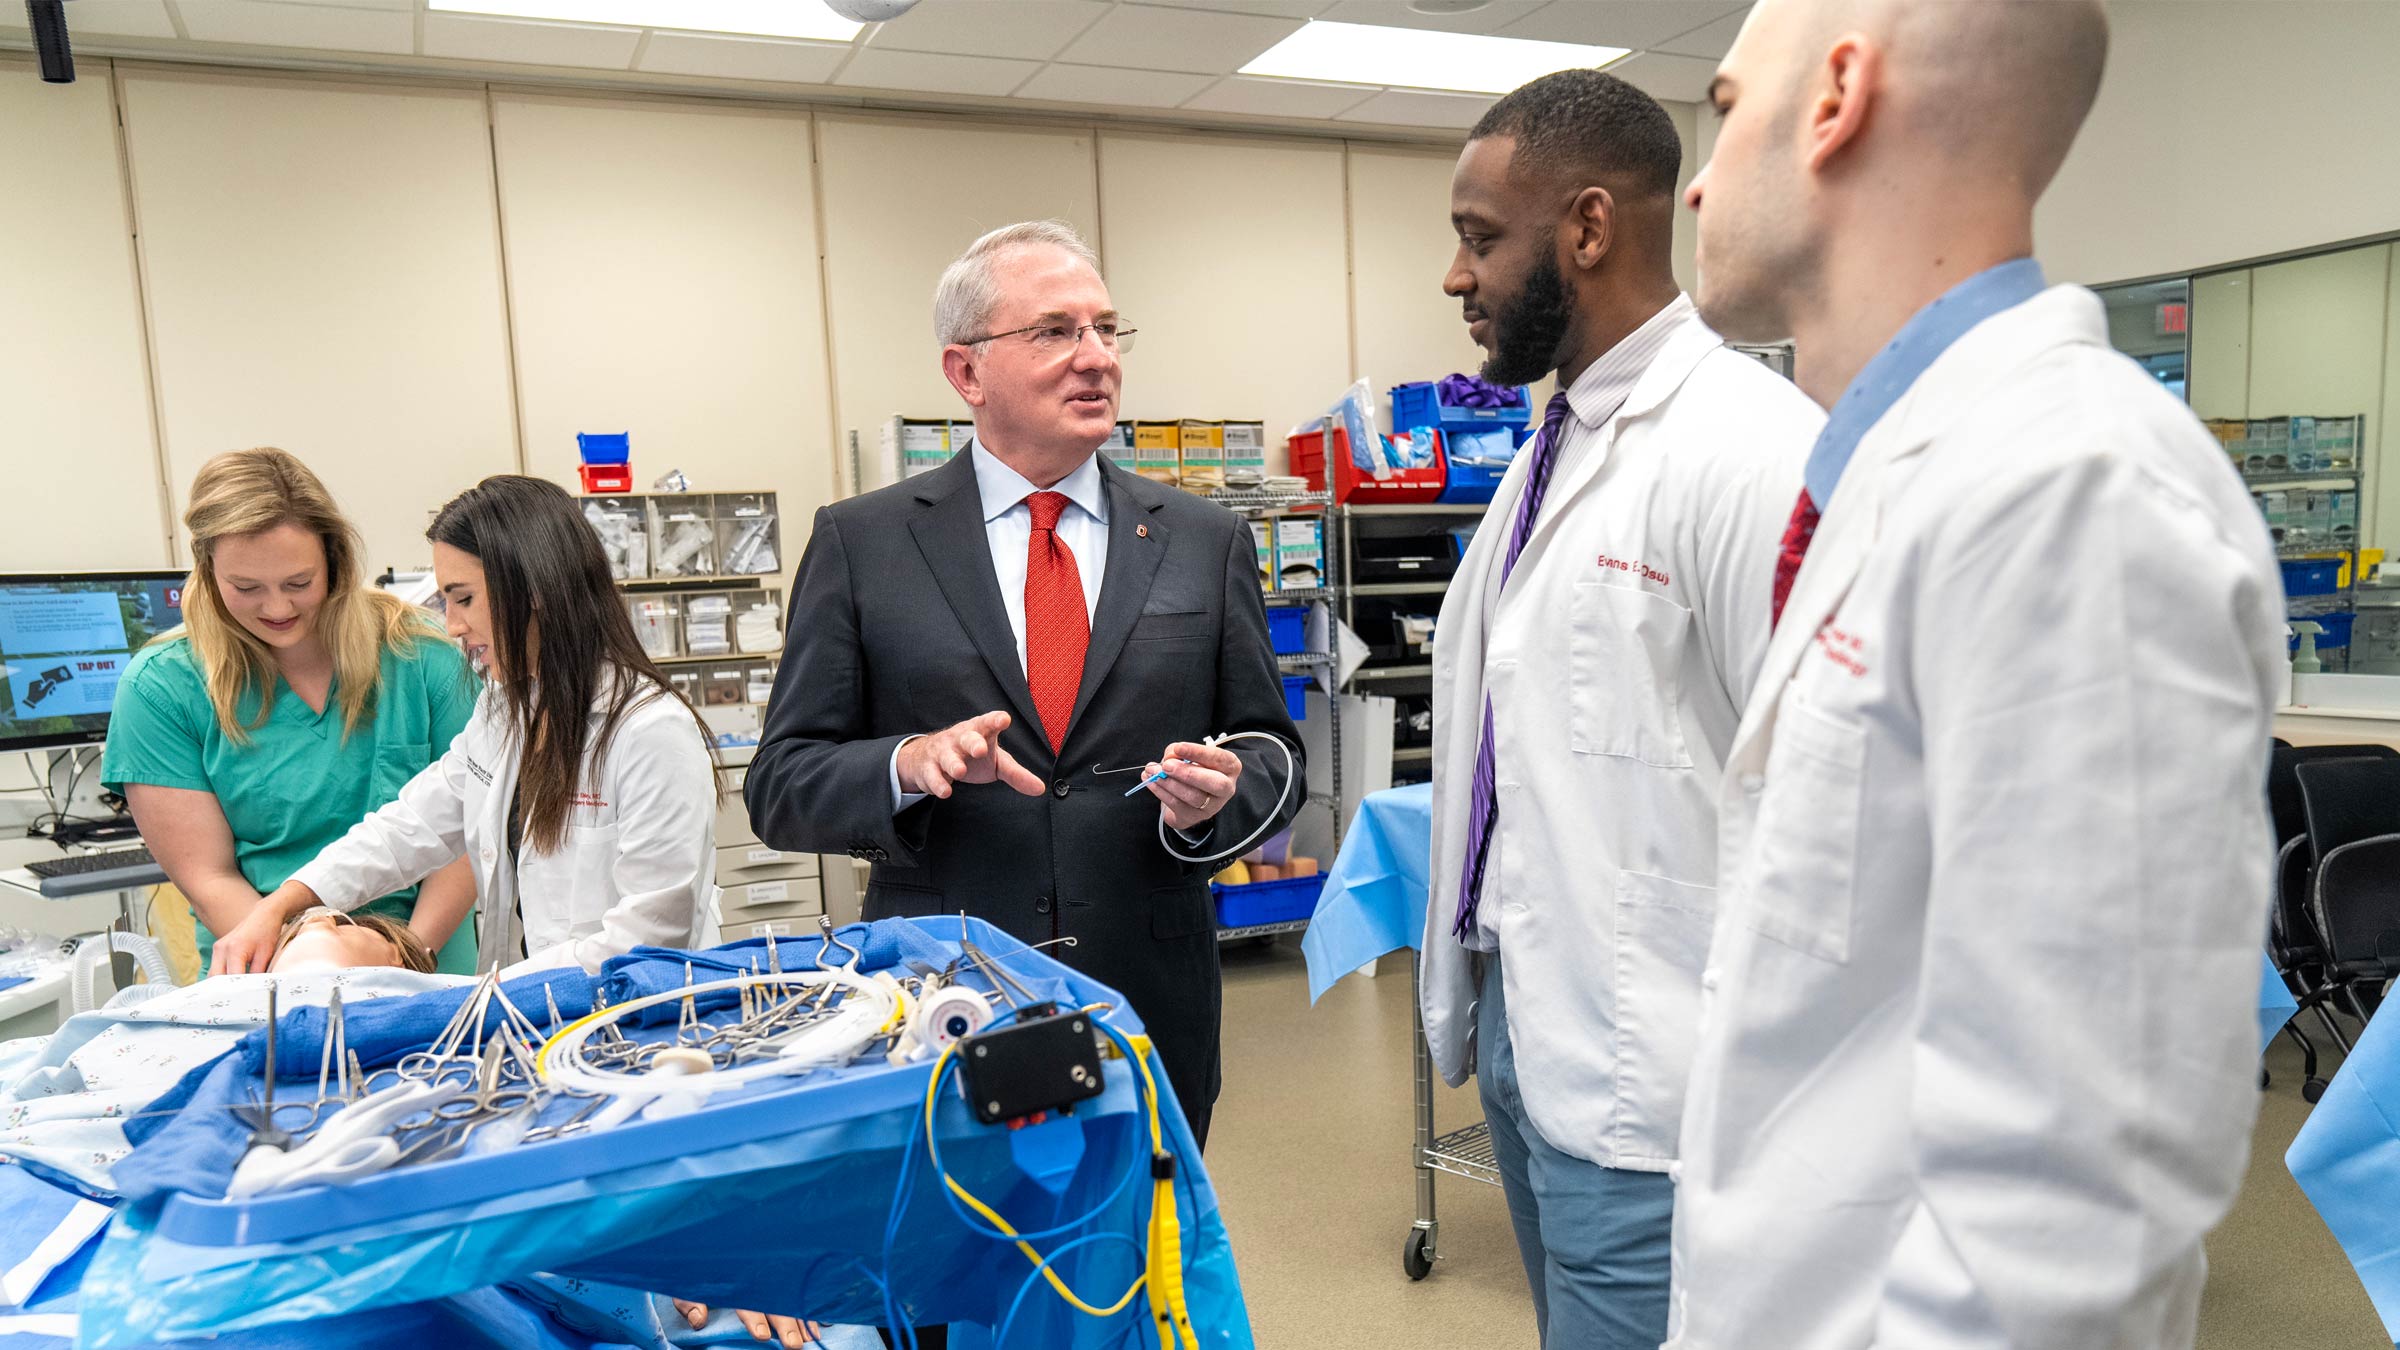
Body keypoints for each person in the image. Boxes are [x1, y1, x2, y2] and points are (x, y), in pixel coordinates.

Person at [1663, 3, 2285, 1348]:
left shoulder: (2074, 493)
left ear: (1837, 95)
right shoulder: (1893, 479)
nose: (1700, 179)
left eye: (1721, 110)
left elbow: (2069, 1206)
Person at [1414, 70, 1822, 1349]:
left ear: (1587, 230)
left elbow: (1825, 801)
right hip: (1537, 1035)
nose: (1456, 276)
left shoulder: (1750, 450)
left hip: (1668, 1080)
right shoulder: (1561, 443)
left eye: (1481, 238)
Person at [745, 219, 1302, 1150]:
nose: (1096, 359)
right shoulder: (865, 543)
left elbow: (1272, 750)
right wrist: (907, 763)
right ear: (966, 373)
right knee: (948, 1284)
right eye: (1055, 332)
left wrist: (1212, 803)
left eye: (1106, 330)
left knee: (1134, 1278)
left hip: (1146, 1006)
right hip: (943, 1006)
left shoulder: (1202, 541)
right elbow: (780, 784)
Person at [208, 475, 721, 977]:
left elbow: (648, 938)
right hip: (541, 1011)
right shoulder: (505, 712)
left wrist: (479, 998)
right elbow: (409, 827)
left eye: (465, 598)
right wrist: (282, 904)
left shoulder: (650, 732)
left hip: (645, 1018)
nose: (452, 625)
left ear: (535, 589)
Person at [103, 448, 481, 974]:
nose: (277, 608)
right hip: (265, 970)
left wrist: (407, 960)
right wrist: (312, 966)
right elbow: (210, 879)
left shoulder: (425, 657)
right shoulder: (163, 688)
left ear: (335, 561)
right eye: (246, 588)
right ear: (209, 570)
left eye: (299, 584)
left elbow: (465, 831)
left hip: (431, 965)